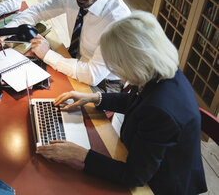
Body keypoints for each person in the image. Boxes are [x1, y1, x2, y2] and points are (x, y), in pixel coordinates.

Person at [36, 11, 207, 194]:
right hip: (141, 156)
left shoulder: (160, 111)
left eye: (117, 64)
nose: (114, 71)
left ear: (136, 62)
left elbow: (135, 176)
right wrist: (94, 98)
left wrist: (79, 154)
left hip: (160, 185)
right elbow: (139, 101)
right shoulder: (158, 71)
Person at [0, 0, 130, 89]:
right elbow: (38, 11)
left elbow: (92, 75)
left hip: (103, 82)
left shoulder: (117, 21)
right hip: (75, 60)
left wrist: (47, 54)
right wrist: (7, 30)